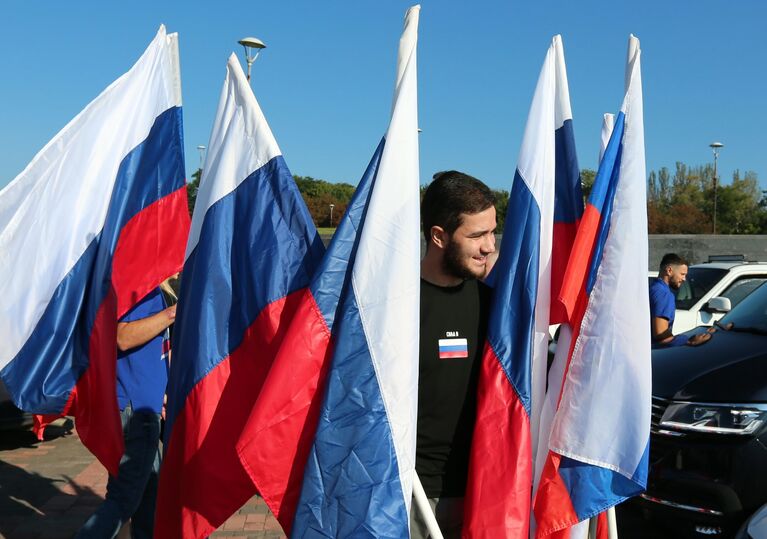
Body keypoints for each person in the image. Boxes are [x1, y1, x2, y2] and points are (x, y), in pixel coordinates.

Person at [412, 171, 496, 539]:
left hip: (485, 494)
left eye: (492, 232)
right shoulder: (396, 308)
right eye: (477, 235)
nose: (490, 246)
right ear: (439, 236)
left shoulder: (494, 307)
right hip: (411, 495)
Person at [77, 283, 176, 539]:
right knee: (123, 500)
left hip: (144, 407)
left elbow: (151, 354)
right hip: (136, 413)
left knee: (148, 499)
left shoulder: (151, 288)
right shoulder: (137, 284)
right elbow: (122, 337)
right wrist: (172, 314)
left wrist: (161, 390)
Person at [649, 253, 710, 348]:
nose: (684, 279)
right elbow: (660, 333)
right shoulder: (664, 294)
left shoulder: (652, 287)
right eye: (682, 274)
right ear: (669, 270)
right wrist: (687, 341)